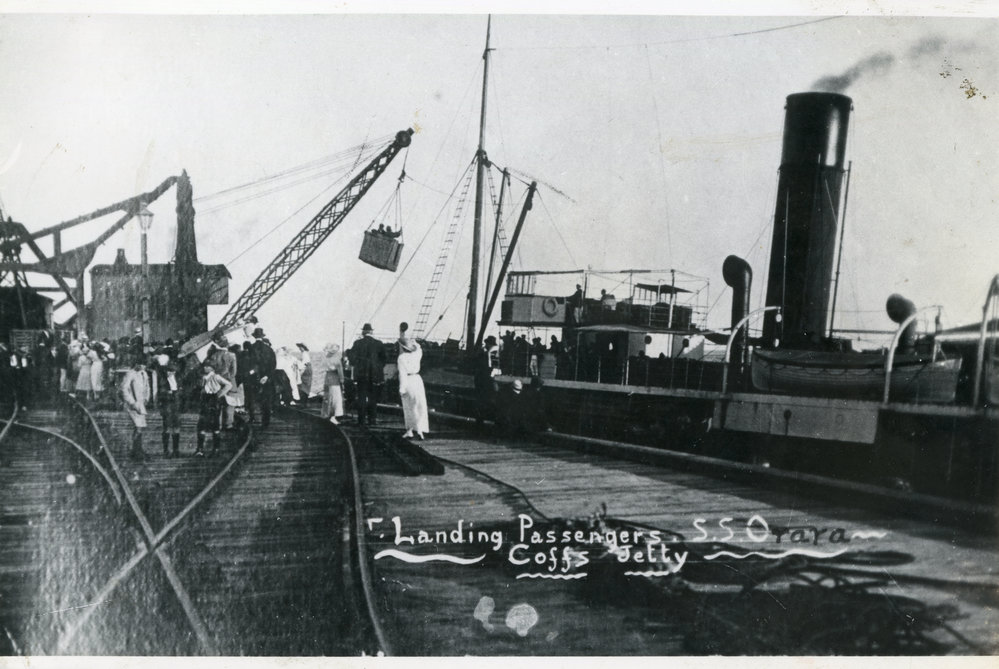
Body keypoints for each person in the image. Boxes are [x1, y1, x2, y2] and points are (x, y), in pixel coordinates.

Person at [347, 323, 385, 426]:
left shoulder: (357, 343)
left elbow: (352, 360)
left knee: (361, 398)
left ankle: (361, 420)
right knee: (373, 398)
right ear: (371, 332)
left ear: (363, 332)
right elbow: (384, 360)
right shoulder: (379, 344)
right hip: (374, 376)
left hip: (361, 376)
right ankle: (372, 420)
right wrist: (377, 369)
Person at [397, 323, 428, 439]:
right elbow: (419, 348)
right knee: (419, 405)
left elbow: (402, 374)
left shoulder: (401, 358)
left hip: (408, 381)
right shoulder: (417, 355)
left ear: (403, 348)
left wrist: (402, 388)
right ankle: (420, 430)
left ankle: (410, 430)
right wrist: (414, 343)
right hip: (417, 380)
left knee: (408, 407)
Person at [195, 361, 233, 457]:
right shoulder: (202, 377)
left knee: (215, 424)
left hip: (214, 400)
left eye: (208, 366)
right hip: (204, 400)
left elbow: (229, 384)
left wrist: (220, 393)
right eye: (205, 366)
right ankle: (200, 449)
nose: (205, 368)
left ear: (212, 368)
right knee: (202, 424)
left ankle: (216, 449)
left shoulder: (216, 377)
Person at [246, 328, 276, 427]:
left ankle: (252, 418)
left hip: (253, 377)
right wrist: (267, 376)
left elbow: (249, 364)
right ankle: (265, 422)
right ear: (262, 336)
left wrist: (252, 373)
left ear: (254, 336)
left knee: (251, 398)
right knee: (266, 400)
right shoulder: (269, 349)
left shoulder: (251, 348)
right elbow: (273, 365)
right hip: (266, 378)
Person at [120, 361, 150, 459]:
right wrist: (131, 402)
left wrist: (147, 398)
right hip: (133, 404)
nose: (142, 366)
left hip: (141, 404)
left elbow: (147, 387)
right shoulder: (130, 374)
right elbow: (124, 389)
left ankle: (137, 449)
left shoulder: (144, 373)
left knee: (139, 427)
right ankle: (136, 450)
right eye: (140, 364)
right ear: (136, 364)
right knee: (138, 426)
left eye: (144, 365)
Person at [473, 335, 500, 427]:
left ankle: (480, 421)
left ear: (489, 343)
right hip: (494, 377)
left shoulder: (487, 352)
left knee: (482, 400)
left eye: (486, 343)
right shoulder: (498, 351)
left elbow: (484, 365)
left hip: (485, 379)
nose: (485, 345)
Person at [159, 362, 182, 457]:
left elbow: (182, 393)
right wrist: (169, 393)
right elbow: (161, 393)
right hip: (167, 406)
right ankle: (166, 450)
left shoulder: (178, 380)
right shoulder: (163, 380)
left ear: (175, 372)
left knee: (176, 428)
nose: (170, 373)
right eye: (168, 371)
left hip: (176, 406)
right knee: (167, 428)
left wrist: (175, 393)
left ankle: (176, 450)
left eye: (172, 371)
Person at [321, 344, 345, 424]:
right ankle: (335, 416)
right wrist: (342, 380)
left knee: (327, 397)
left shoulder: (325, 358)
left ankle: (326, 414)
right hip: (335, 379)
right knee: (336, 398)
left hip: (327, 378)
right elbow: (340, 371)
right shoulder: (336, 359)